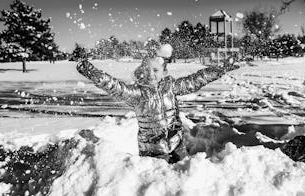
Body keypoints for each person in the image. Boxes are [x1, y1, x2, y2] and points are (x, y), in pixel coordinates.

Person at [76, 42, 239, 163]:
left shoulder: (171, 87)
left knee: (181, 177)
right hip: (152, 151)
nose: (150, 74)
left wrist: (220, 69)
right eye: (146, 70)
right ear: (140, 72)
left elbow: (195, 80)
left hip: (177, 144)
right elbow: (113, 85)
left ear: (164, 72)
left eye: (155, 70)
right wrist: (91, 72)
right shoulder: (136, 93)